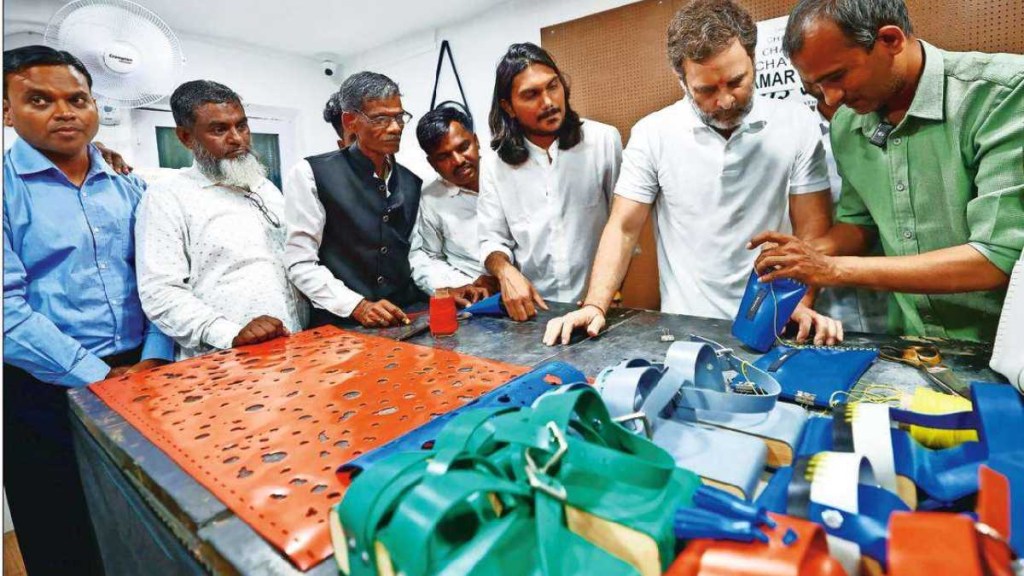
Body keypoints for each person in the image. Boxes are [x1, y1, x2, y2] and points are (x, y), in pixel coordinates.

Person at [543, 0, 840, 346]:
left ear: (753, 58)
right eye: (707, 90)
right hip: (687, 326)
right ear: (682, 80)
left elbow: (811, 230)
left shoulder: (796, 123)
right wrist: (595, 304)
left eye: (736, 81)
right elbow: (624, 227)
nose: (725, 101)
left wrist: (800, 303)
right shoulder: (652, 134)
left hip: (772, 317)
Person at [752, 0, 1024, 342]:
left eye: (837, 76)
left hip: (1008, 347)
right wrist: (801, 258)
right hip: (915, 343)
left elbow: (997, 258)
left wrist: (831, 269)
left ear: (891, 40)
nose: (831, 99)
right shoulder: (848, 124)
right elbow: (859, 224)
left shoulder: (1002, 95)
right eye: (817, 88)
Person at [3, 45, 174, 575]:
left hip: (145, 374)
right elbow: (6, 311)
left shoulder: (130, 186)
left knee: (151, 516)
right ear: (7, 111)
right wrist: (97, 376)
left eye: (77, 99)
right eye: (39, 100)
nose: (65, 112)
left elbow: (158, 278)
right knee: (62, 531)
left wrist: (155, 355)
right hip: (44, 388)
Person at [135, 80, 308, 359]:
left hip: (293, 345)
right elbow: (160, 293)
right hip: (226, 358)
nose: (237, 138)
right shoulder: (167, 197)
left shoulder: (265, 188)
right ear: (186, 137)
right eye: (219, 129)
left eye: (242, 125)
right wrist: (230, 334)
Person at [477, 42, 622, 321]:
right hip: (535, 312)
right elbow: (491, 240)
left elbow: (625, 226)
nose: (548, 102)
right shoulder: (495, 166)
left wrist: (612, 293)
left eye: (553, 86)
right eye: (531, 95)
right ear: (508, 107)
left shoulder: (603, 141)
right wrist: (505, 271)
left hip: (602, 305)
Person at [284, 71, 424, 328]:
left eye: (399, 117)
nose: (395, 128)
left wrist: (449, 288)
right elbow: (300, 262)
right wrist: (356, 305)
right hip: (342, 324)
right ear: (350, 121)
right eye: (381, 119)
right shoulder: (311, 174)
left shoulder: (411, 182)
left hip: (406, 317)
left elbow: (414, 255)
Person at [804, 80, 889, 334]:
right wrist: (804, 263)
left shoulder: (895, 123)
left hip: (901, 298)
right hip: (831, 311)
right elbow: (856, 220)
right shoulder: (800, 135)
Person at [408, 106, 496, 306]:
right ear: (432, 163)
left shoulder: (508, 174)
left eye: (463, 147)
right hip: (478, 305)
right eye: (444, 156)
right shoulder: (429, 199)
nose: (458, 161)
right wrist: (466, 285)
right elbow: (427, 257)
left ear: (476, 141)